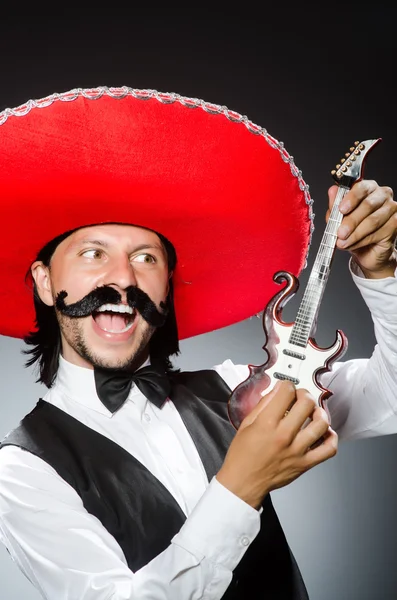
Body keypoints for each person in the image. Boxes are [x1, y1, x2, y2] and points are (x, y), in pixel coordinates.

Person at [0, 86, 396, 600]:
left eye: (146, 258)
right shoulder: (22, 469)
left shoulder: (243, 393)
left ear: (167, 285)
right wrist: (241, 485)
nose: (123, 279)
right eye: (93, 254)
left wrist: (381, 271)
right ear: (46, 282)